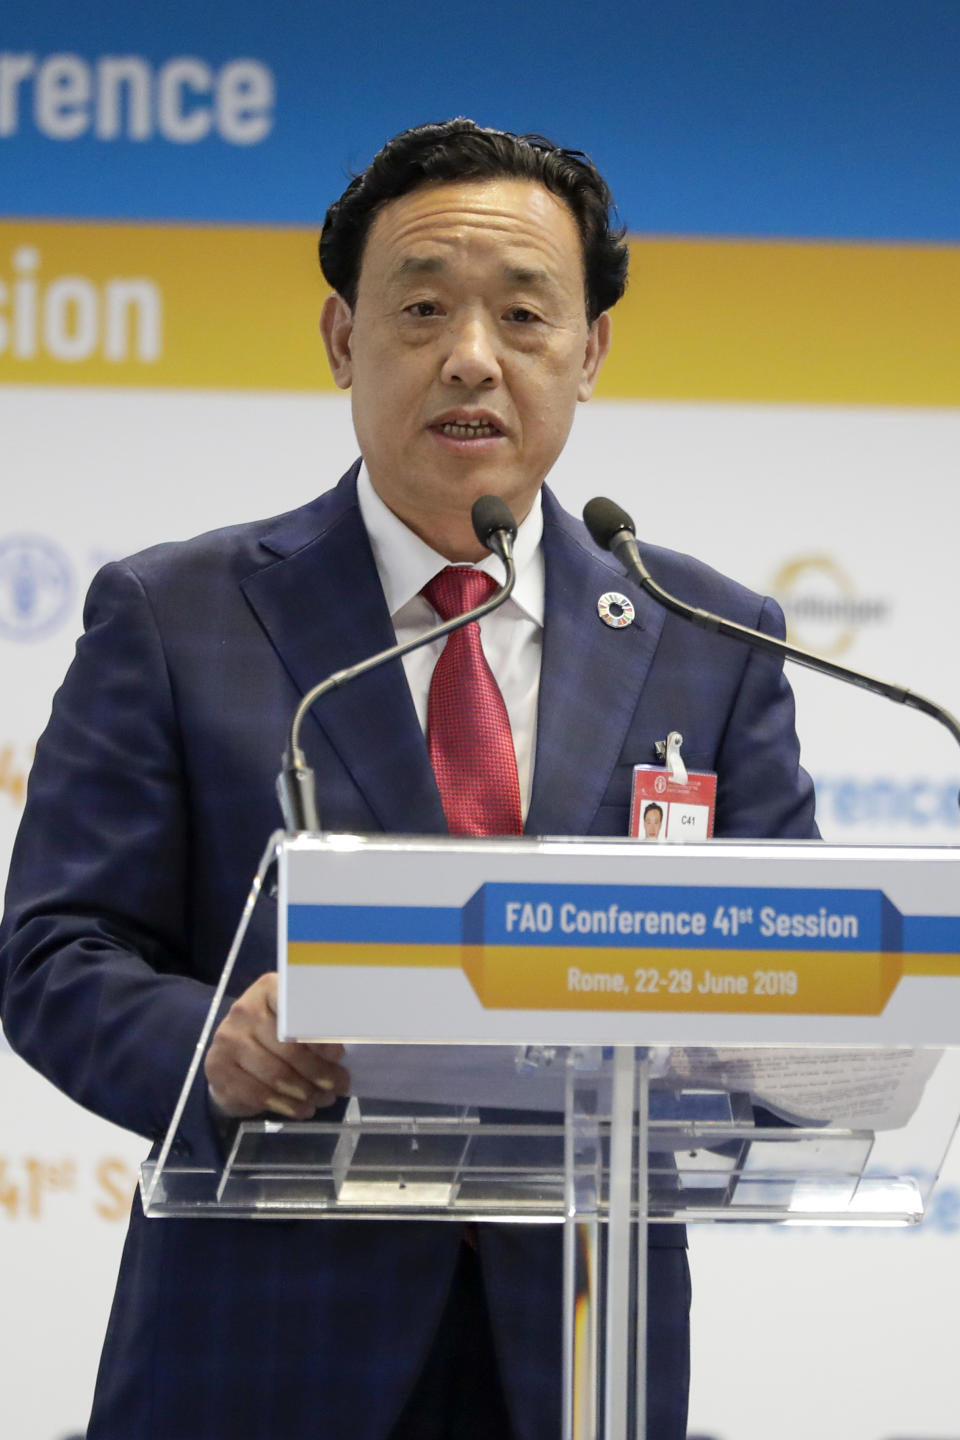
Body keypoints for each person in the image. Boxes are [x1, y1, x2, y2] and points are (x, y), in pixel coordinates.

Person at [0, 119, 817, 1440]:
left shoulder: (706, 642)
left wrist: (735, 1045)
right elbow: (54, 953)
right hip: (259, 1350)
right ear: (342, 339)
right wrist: (216, 1049)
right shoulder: (177, 615)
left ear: (591, 352)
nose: (472, 358)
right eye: (424, 306)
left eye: (525, 314)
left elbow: (803, 984)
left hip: (576, 1357)